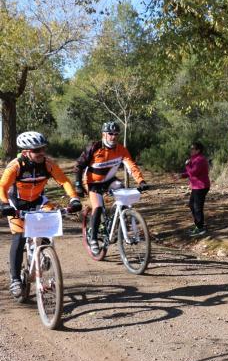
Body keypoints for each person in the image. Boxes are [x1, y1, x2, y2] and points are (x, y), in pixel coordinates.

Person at [0, 131, 82, 297]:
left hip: (38, 200)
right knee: (20, 236)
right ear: (26, 152)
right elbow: (2, 187)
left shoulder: (48, 164)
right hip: (17, 203)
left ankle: (43, 251)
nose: (41, 153)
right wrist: (4, 204)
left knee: (49, 222)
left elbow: (64, 181)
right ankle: (15, 279)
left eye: (43, 148)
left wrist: (74, 199)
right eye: (36, 150)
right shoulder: (16, 166)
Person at [74, 122, 148, 254]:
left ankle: (118, 224)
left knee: (124, 196)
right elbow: (79, 166)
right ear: (104, 134)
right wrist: (78, 185)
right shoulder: (94, 147)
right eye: (110, 134)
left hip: (109, 180)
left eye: (116, 134)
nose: (113, 137)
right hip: (92, 182)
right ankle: (93, 238)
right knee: (97, 207)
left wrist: (141, 181)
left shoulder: (121, 149)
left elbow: (131, 166)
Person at [178, 141, 210, 237]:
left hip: (201, 186)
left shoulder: (200, 159)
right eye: (191, 148)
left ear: (198, 150)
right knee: (192, 205)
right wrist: (182, 175)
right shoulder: (194, 159)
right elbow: (191, 172)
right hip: (196, 186)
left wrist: (187, 165)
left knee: (197, 207)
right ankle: (198, 225)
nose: (191, 150)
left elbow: (193, 172)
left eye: (193, 148)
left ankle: (200, 228)